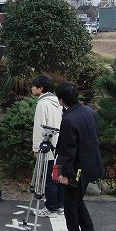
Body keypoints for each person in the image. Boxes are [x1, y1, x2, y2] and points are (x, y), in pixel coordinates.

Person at [53, 82, 104, 231]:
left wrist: (65, 173)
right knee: (77, 201)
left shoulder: (69, 119)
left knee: (70, 204)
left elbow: (68, 150)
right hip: (90, 163)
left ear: (61, 99)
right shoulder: (89, 111)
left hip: (76, 167)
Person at [31, 75, 65, 218]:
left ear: (40, 88)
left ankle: (50, 208)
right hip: (59, 146)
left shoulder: (42, 104)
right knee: (57, 176)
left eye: (34, 86)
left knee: (48, 178)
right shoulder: (57, 102)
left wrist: (36, 148)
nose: (32, 88)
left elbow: (39, 128)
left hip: (46, 146)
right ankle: (59, 205)